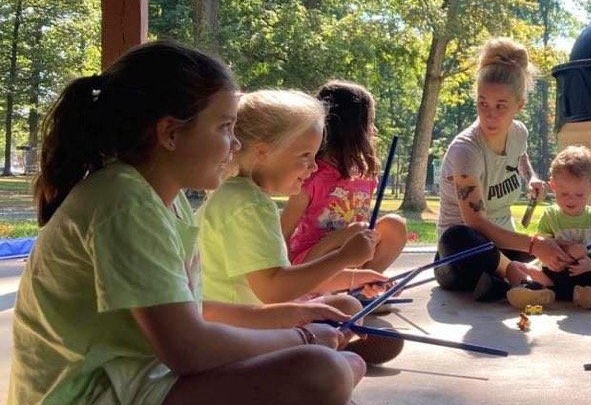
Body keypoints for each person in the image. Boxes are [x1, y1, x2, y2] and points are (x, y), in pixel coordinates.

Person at [6, 41, 385, 405]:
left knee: (343, 365)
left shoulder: (164, 202)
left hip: (134, 389)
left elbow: (195, 310)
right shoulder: (123, 202)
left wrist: (295, 315)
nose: (236, 143)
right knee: (322, 374)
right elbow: (188, 349)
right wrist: (299, 337)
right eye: (225, 127)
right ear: (170, 133)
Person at [197, 89, 402, 366]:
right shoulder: (248, 206)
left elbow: (283, 274)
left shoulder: (243, 196)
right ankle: (328, 353)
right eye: (305, 155)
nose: (312, 167)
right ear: (262, 152)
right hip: (239, 330)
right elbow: (274, 290)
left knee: (348, 306)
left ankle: (332, 348)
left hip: (250, 317)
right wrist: (343, 257)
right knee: (343, 366)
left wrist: (357, 277)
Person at [434, 37, 571, 301]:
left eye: (500, 106)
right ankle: (516, 276)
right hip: (462, 255)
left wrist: (530, 176)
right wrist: (533, 244)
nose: (489, 115)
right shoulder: (466, 149)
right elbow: (475, 222)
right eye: (482, 103)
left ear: (519, 106)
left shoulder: (519, 133)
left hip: (504, 245)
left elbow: (520, 157)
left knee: (558, 247)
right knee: (459, 238)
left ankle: (510, 280)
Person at [281, 80, 408, 273]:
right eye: (369, 122)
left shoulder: (365, 174)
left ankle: (363, 285)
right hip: (311, 262)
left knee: (394, 225)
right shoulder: (312, 174)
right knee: (356, 231)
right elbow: (284, 231)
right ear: (354, 128)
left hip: (353, 255)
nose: (374, 130)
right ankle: (326, 287)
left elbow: (361, 218)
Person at [506, 145, 591, 310]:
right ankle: (533, 291)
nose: (571, 200)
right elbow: (544, 245)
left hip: (589, 278)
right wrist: (566, 252)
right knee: (513, 267)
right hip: (552, 277)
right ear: (553, 186)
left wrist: (590, 264)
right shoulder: (550, 215)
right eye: (564, 194)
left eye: (579, 195)